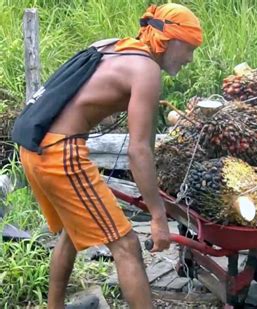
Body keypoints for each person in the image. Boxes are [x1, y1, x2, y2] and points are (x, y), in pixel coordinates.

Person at [16, 3, 202, 309]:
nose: (190, 59)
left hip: (32, 143)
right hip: (60, 153)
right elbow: (139, 151)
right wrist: (157, 217)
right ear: (173, 42)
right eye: (190, 49)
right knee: (127, 245)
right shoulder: (147, 71)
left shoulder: (110, 46)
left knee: (71, 234)